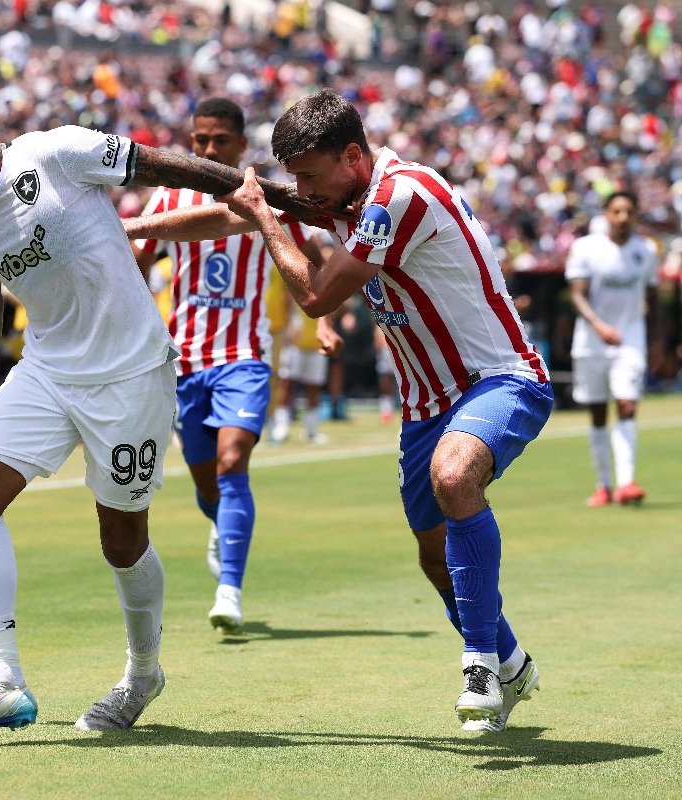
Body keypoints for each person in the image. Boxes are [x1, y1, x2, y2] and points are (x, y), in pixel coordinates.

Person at [0, 78, 334, 743]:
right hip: (48, 368)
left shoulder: (57, 154)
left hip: (131, 375)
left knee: (122, 541)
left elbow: (160, 164)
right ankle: (1, 680)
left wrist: (255, 190)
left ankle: (143, 673)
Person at [132, 88, 552, 734]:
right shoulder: (339, 195)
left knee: (454, 476)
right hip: (424, 403)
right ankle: (510, 659)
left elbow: (317, 296)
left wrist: (268, 217)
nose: (302, 190)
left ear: (352, 156)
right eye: (294, 178)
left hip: (498, 377)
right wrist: (139, 226)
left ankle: (480, 666)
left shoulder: (396, 196)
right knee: (434, 558)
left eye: (307, 177)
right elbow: (222, 220)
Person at [130, 97, 341, 634]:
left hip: (244, 354)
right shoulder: (169, 195)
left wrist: (325, 321)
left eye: (220, 141)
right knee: (208, 485)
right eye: (200, 140)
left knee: (231, 465)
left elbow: (318, 261)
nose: (207, 150)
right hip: (184, 360)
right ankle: (221, 528)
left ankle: (231, 590)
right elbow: (136, 265)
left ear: (240, 146)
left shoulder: (265, 200)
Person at [566, 191, 661, 507]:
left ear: (636, 215)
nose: (623, 217)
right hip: (591, 343)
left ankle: (627, 483)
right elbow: (577, 294)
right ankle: (603, 485)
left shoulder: (645, 250)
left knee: (627, 406)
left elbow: (654, 296)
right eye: (617, 211)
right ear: (606, 214)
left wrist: (658, 341)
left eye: (629, 212)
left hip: (630, 341)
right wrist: (599, 325)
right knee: (597, 414)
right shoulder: (586, 248)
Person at [273, 286, 342, 446]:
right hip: (295, 341)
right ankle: (281, 426)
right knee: (287, 383)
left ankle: (311, 430)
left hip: (318, 341)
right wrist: (287, 329)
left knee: (314, 387)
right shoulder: (295, 278)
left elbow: (334, 307)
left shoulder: (325, 277)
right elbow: (286, 303)